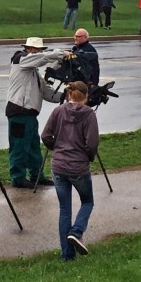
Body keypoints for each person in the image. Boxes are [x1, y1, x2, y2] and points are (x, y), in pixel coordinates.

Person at [41, 81, 99, 261]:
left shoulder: (58, 111)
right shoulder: (89, 114)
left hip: (59, 165)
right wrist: (88, 156)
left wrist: (56, 148)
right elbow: (92, 143)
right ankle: (77, 231)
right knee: (87, 201)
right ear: (86, 96)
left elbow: (45, 135)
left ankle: (67, 255)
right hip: (78, 166)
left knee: (64, 209)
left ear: (68, 95)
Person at [6, 37, 70, 189]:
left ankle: (37, 176)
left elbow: (46, 92)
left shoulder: (33, 71)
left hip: (30, 114)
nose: (36, 52)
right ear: (27, 49)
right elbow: (41, 58)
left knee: (34, 147)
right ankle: (17, 178)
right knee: (19, 147)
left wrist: (65, 96)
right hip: (19, 112)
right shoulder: (20, 60)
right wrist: (61, 54)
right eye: (34, 49)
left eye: (38, 49)